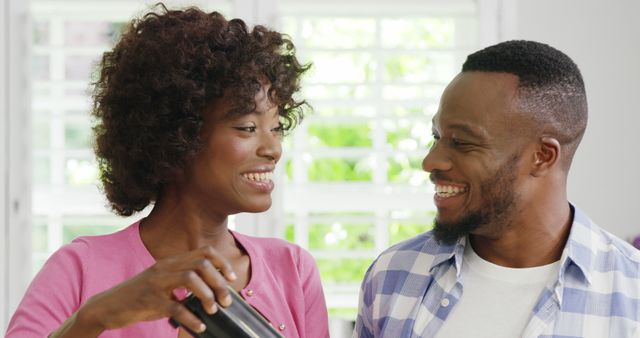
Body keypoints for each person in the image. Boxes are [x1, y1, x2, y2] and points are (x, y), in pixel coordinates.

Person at [6, 4, 329, 338]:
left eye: (276, 128)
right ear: (179, 136)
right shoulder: (81, 268)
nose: (273, 149)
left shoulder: (292, 270)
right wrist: (94, 318)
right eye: (247, 127)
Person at [354, 40, 640, 338]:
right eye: (436, 136)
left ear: (542, 157)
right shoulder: (393, 275)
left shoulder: (632, 294)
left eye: (462, 142)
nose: (431, 161)